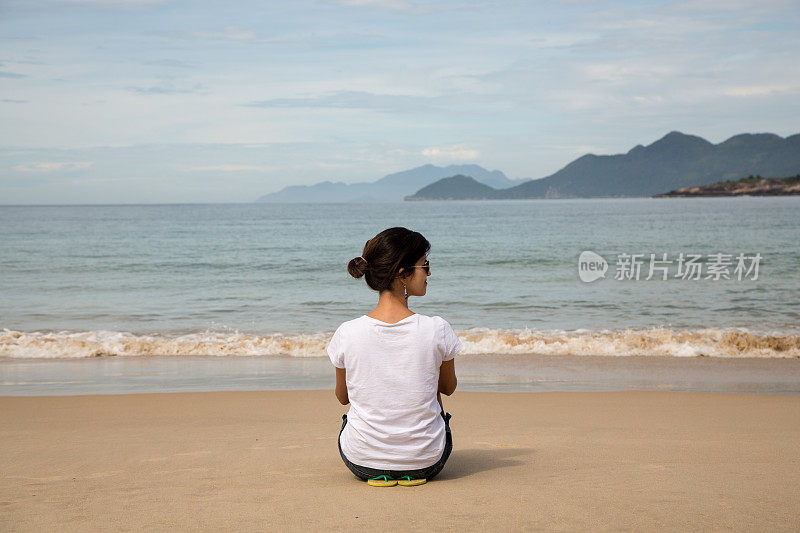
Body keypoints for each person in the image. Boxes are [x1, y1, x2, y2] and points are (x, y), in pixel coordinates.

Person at [326, 227, 463, 487]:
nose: (429, 273)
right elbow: (448, 388)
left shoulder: (348, 332)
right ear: (403, 273)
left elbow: (343, 398)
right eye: (425, 265)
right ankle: (410, 456)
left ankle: (380, 456)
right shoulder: (436, 328)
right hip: (428, 462)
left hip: (362, 462)